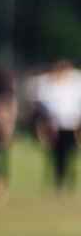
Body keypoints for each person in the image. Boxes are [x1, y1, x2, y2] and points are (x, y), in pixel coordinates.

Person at [32, 60, 81, 191]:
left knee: (70, 153)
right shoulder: (50, 86)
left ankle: (69, 176)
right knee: (57, 153)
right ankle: (58, 178)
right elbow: (44, 105)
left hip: (71, 125)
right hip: (55, 126)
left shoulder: (75, 84)